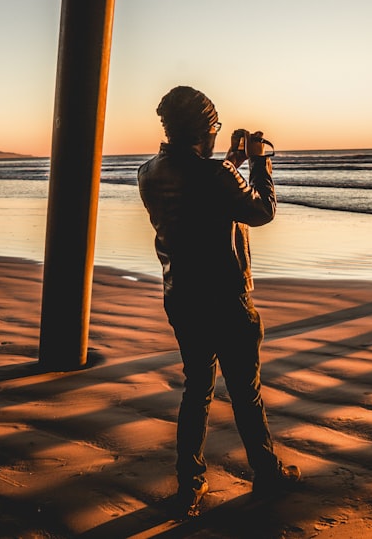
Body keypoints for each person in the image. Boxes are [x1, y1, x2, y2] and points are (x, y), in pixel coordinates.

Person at [137, 85, 301, 516]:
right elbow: (261, 210)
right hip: (227, 300)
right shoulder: (216, 177)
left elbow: (202, 189)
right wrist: (261, 162)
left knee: (197, 390)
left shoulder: (148, 172)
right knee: (246, 394)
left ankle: (190, 485)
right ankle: (266, 473)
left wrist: (233, 162)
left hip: (182, 296)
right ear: (207, 129)